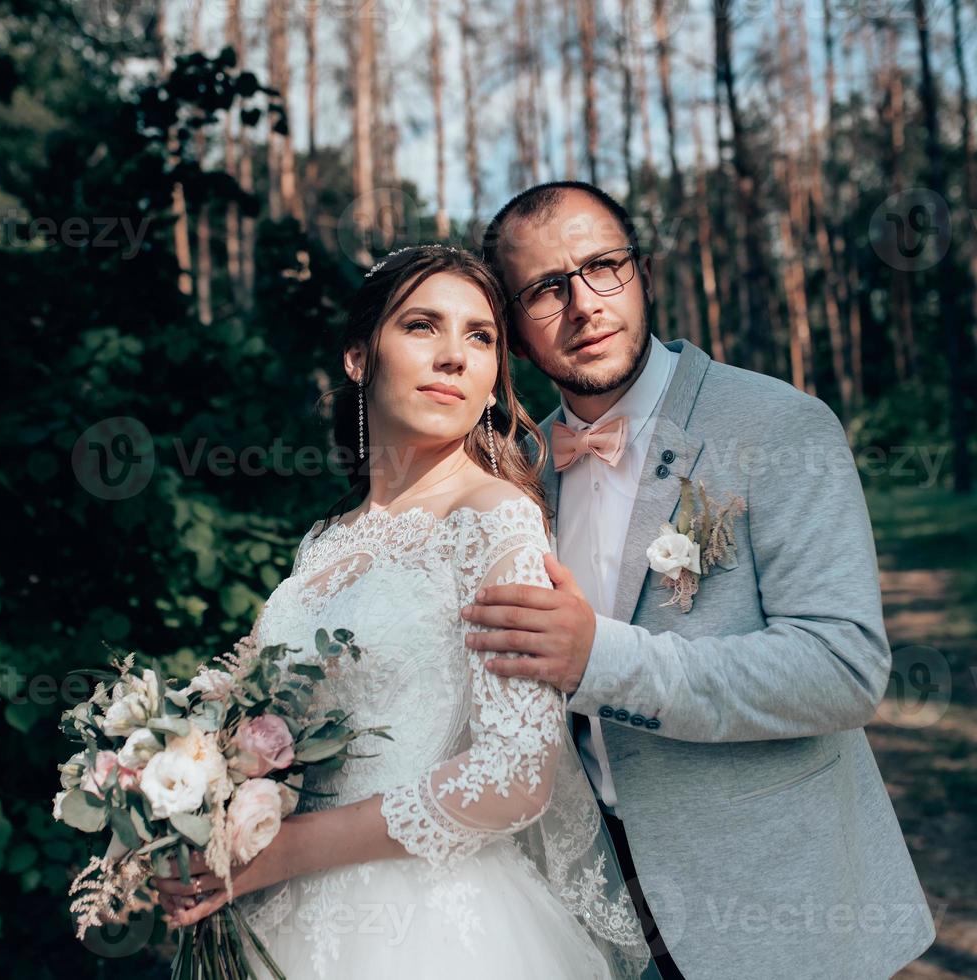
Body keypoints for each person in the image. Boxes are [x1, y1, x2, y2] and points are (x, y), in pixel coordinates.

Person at [459, 181, 937, 979]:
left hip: (776, 905)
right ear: (510, 327)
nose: (583, 304)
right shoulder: (518, 473)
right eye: (546, 289)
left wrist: (599, 661)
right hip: (598, 914)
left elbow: (844, 671)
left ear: (642, 273)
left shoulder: (779, 426)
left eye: (603, 266)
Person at [153, 244, 651, 979]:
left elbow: (515, 776)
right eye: (423, 326)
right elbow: (253, 724)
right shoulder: (324, 540)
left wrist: (284, 849)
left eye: (480, 337)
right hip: (275, 916)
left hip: (427, 928)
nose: (454, 356)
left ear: (492, 384)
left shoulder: (496, 518)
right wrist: (194, 808)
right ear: (359, 358)